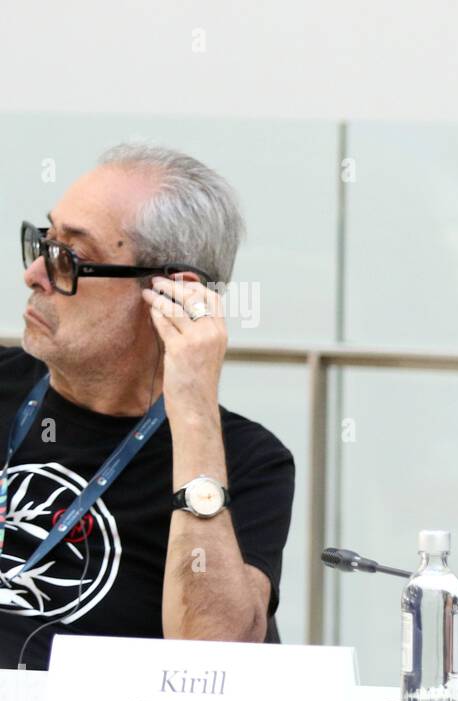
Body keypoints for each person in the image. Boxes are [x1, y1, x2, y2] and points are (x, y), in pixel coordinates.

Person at [1, 143, 294, 670]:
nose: (36, 275)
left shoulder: (248, 459)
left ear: (171, 294)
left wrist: (195, 412)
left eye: (70, 258)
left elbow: (215, 664)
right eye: (44, 243)